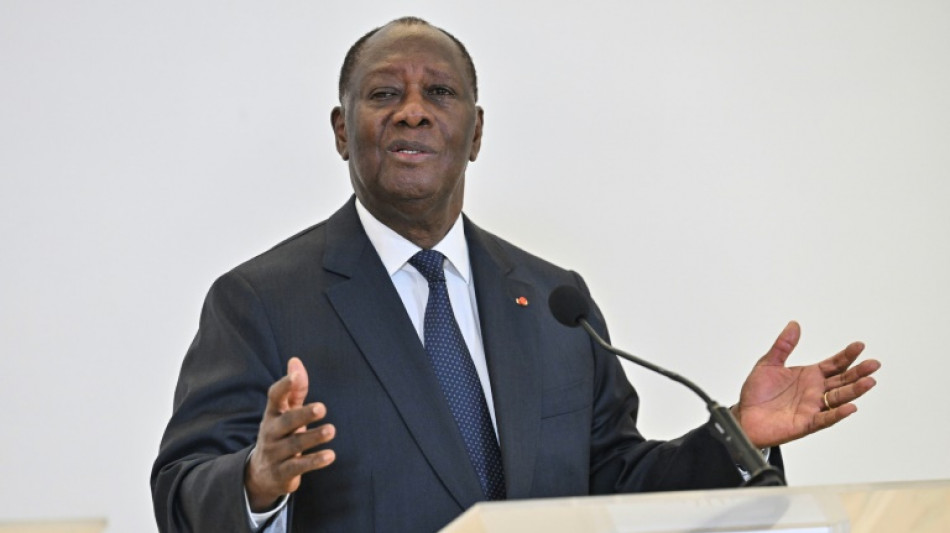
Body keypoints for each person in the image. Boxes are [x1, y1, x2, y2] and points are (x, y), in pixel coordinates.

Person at [151, 16, 880, 533]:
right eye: (383, 94)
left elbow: (615, 485)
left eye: (440, 93)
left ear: (475, 132)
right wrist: (257, 479)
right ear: (342, 131)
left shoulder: (553, 300)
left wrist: (737, 438)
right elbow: (181, 490)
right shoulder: (261, 300)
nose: (412, 113)